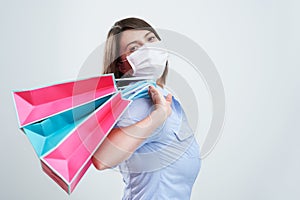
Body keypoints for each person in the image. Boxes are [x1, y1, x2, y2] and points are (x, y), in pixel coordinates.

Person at [92, 17, 201, 200]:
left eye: (150, 39)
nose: (148, 49)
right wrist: (157, 117)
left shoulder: (162, 97)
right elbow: (102, 159)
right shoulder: (137, 105)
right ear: (121, 64)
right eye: (134, 48)